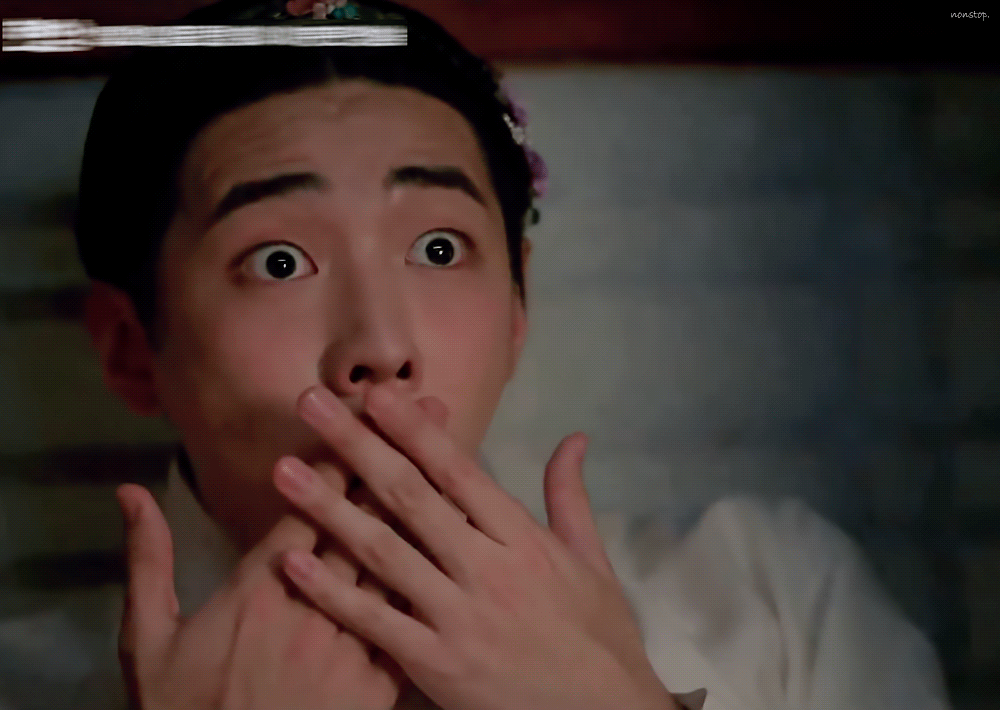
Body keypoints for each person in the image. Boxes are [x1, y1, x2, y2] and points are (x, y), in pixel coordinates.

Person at [0, 0, 952, 708]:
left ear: (518, 305)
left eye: (438, 248)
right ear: (131, 350)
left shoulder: (771, 599)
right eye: (280, 261)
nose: (381, 348)